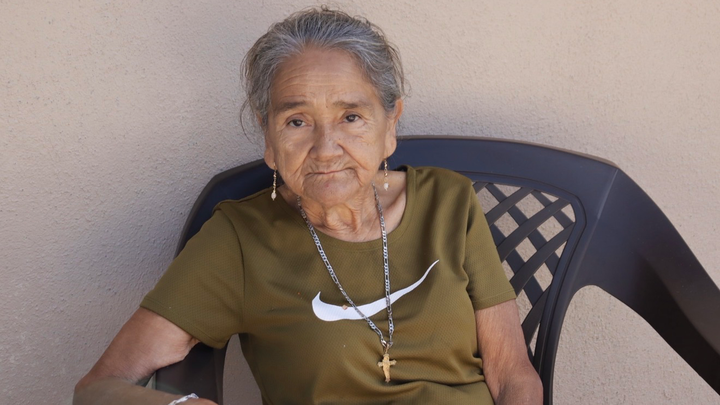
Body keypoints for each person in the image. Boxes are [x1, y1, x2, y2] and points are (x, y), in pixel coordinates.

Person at [74, 7, 542, 405]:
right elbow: (97, 388)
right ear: (269, 138)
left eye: (351, 117)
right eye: (297, 121)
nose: (326, 149)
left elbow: (511, 374)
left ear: (390, 125)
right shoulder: (240, 239)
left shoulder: (448, 202)